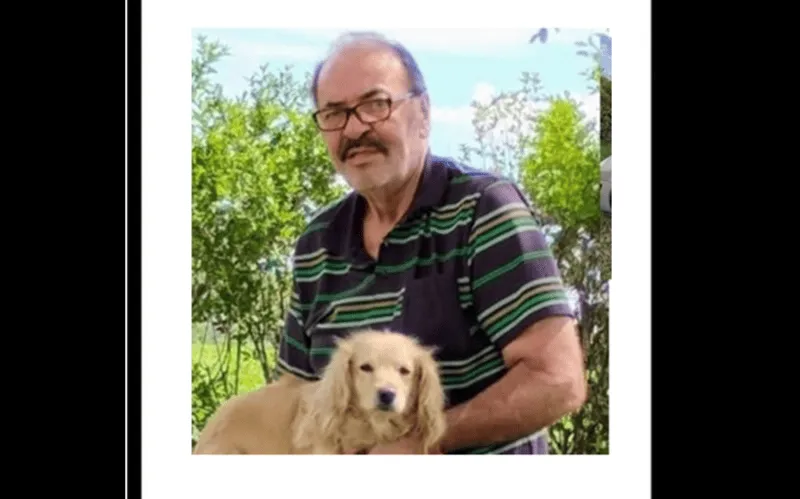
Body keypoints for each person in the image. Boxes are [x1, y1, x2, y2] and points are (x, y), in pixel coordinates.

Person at [276, 31, 587, 454]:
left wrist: (425, 442)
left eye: (375, 104)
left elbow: (557, 381)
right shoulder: (317, 242)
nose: (354, 128)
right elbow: (292, 395)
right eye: (334, 113)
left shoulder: (482, 210)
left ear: (422, 113)